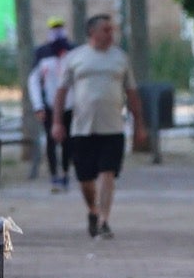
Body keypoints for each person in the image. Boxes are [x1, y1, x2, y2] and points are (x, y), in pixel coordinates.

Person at [51, 14, 146, 240]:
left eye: (111, 30)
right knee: (85, 178)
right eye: (105, 30)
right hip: (82, 127)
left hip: (112, 126)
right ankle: (93, 211)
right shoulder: (75, 58)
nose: (110, 34)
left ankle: (104, 220)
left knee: (107, 173)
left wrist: (139, 124)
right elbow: (61, 92)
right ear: (92, 32)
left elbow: (132, 93)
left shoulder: (120, 59)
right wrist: (56, 122)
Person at [29, 39, 73, 192]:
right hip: (49, 106)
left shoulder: (71, 56)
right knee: (50, 140)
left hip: (69, 106)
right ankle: (54, 174)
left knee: (68, 141)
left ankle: (66, 172)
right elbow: (34, 81)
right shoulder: (44, 57)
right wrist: (38, 106)